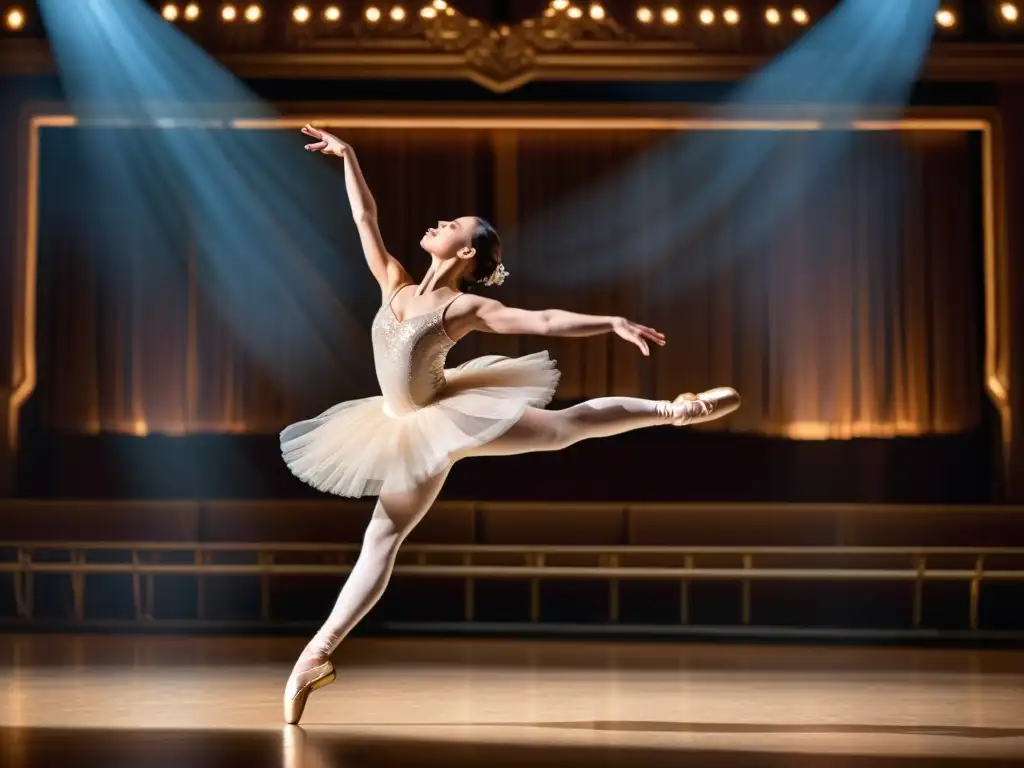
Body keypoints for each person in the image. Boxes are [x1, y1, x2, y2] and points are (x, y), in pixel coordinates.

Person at [280, 125, 740, 724]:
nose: (439, 225)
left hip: (442, 417)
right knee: (382, 540)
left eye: (452, 226)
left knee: (561, 428)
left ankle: (676, 411)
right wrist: (349, 157)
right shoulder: (393, 282)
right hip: (398, 425)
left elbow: (543, 320)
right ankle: (315, 657)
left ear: (465, 253)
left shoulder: (465, 308)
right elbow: (364, 218)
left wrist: (610, 322)